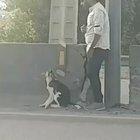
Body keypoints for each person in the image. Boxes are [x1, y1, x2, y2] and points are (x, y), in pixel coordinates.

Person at [79, 0, 110, 104]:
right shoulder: (94, 10)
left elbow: (98, 32)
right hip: (95, 47)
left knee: (92, 73)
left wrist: (91, 48)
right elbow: (95, 30)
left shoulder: (98, 11)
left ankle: (98, 101)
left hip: (98, 48)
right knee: (90, 72)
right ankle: (91, 99)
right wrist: (87, 29)